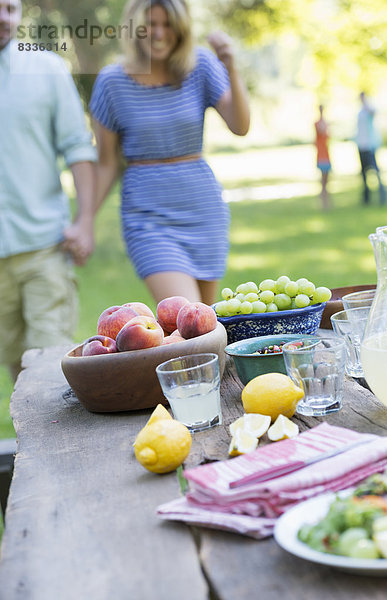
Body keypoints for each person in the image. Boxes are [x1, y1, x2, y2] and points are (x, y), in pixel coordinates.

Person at [89, 0, 250, 306]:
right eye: (150, 24)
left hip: (203, 211)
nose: (159, 33)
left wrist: (231, 66)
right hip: (148, 219)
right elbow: (107, 165)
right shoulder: (111, 83)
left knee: (203, 325)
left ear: (181, 28)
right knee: (186, 317)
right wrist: (84, 221)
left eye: (168, 24)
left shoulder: (200, 65)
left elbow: (240, 126)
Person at [0, 0, 97, 382]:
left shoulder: (47, 69)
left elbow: (78, 146)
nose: (2, 18)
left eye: (9, 8)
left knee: (48, 370)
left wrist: (85, 222)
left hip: (43, 248)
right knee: (17, 371)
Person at [356, 91, 387, 205]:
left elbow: (373, 112)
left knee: (375, 171)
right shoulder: (359, 112)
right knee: (363, 173)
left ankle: (383, 196)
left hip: (370, 146)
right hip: (361, 146)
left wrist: (365, 102)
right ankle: (366, 198)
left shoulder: (369, 109)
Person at [314, 104, 331, 211]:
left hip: (327, 155)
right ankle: (323, 202)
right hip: (321, 156)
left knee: (327, 181)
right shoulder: (317, 123)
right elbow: (321, 130)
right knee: (323, 181)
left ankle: (326, 201)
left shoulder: (326, 123)